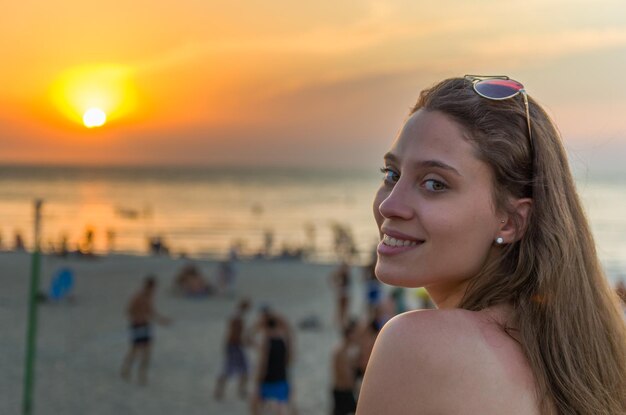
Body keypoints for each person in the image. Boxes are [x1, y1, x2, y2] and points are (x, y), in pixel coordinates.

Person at [356, 76, 626, 414]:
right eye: (392, 175)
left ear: (511, 221)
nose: (389, 205)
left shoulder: (418, 345)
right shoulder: (574, 362)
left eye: (434, 183)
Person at [120, 276, 170, 385]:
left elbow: (151, 312)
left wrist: (162, 320)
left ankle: (142, 375)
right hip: (137, 326)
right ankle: (126, 370)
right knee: (134, 351)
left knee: (147, 353)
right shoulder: (138, 296)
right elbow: (129, 310)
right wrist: (136, 318)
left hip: (146, 325)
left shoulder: (149, 297)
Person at [251, 313, 293, 415]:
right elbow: (288, 359)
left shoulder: (267, 341)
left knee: (255, 404)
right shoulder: (283, 340)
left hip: (268, 379)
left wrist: (258, 379)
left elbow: (263, 363)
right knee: (282, 407)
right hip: (282, 377)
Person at [214, 298, 251, 400]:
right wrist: (245, 342)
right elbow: (234, 334)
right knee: (233, 369)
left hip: (233, 345)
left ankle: (239, 390)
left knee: (241, 369)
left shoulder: (236, 315)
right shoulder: (238, 317)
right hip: (235, 346)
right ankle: (223, 391)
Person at [331, 320, 358, 415]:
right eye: (354, 333)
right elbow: (344, 375)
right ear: (349, 335)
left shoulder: (350, 350)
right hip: (342, 391)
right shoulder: (341, 352)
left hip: (344, 390)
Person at [330, 261, 351, 328]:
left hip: (345, 292)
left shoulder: (345, 273)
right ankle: (340, 322)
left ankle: (342, 322)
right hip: (342, 292)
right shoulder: (341, 273)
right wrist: (336, 286)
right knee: (341, 308)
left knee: (344, 308)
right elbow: (332, 278)